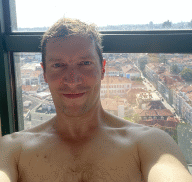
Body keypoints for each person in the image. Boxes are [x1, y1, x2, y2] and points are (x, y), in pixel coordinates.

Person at [0, 17, 192, 182]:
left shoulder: (150, 144)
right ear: (44, 73)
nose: (72, 80)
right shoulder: (11, 149)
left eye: (85, 63)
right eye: (58, 65)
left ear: (102, 69)